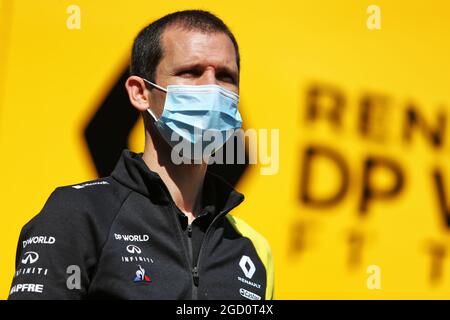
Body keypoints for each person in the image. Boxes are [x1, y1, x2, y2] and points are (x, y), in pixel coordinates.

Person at [8, 9, 274, 300]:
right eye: (191, 72)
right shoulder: (79, 213)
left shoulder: (253, 248)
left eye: (225, 76)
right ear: (140, 93)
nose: (211, 88)